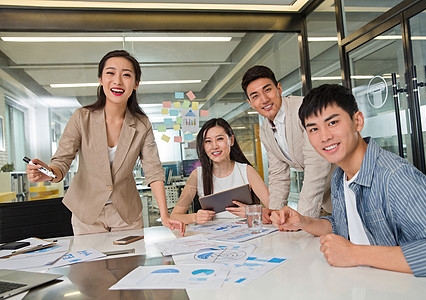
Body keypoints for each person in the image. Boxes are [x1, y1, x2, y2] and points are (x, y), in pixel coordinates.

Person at [271, 84, 426, 278]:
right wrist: (303, 221)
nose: (324, 137)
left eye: (332, 123)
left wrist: (354, 253)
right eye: (313, 129)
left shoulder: (394, 177)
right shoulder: (340, 177)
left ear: (358, 121)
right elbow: (342, 225)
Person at [26, 50, 184, 236]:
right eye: (110, 73)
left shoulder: (142, 124)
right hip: (87, 212)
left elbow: (153, 170)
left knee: (130, 264)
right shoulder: (81, 117)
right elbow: (62, 161)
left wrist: (164, 214)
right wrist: (50, 174)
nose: (117, 81)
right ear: (100, 79)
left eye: (126, 75)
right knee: (90, 265)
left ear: (136, 84)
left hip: (126, 213)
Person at [241, 65, 332, 217]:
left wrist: (303, 218)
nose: (264, 99)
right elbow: (278, 175)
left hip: (349, 187)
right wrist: (275, 214)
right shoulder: (265, 131)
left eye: (267, 90)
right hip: (329, 199)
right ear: (250, 103)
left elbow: (317, 165)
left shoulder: (303, 110)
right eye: (255, 96)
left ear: (279, 88)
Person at [170, 118, 270, 224]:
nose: (214, 146)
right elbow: (175, 216)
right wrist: (195, 217)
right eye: (208, 141)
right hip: (213, 237)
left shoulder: (247, 171)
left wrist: (250, 212)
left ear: (231, 140)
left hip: (246, 235)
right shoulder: (197, 175)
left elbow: (274, 210)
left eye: (220, 139)